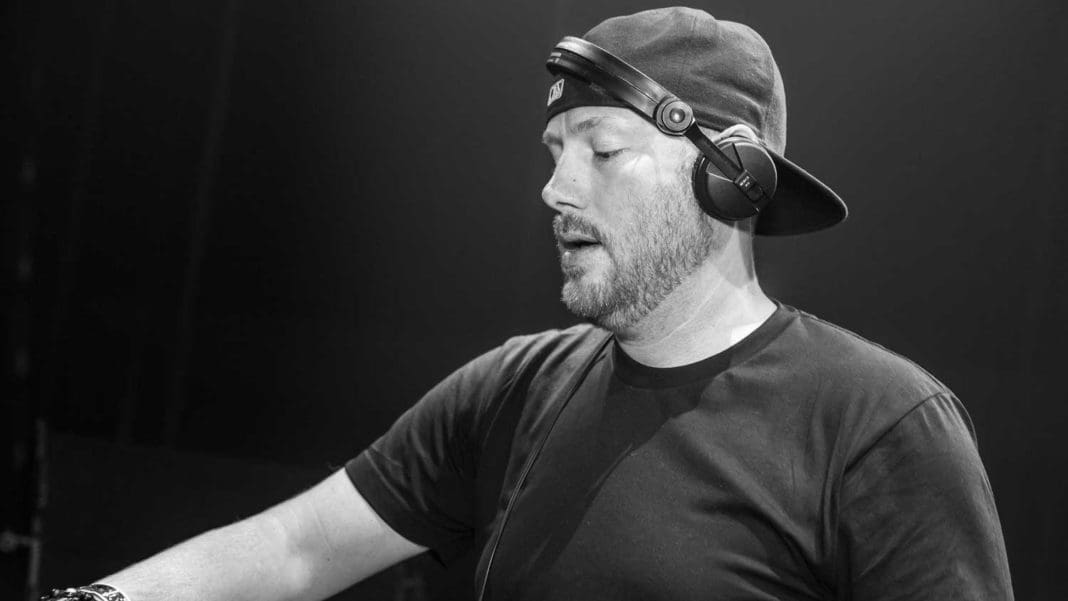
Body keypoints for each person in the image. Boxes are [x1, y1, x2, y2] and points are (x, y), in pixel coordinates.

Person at [45, 7, 1014, 601]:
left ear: (731, 179)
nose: (555, 189)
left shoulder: (879, 423)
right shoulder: (514, 389)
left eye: (601, 150)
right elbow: (295, 550)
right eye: (555, 153)